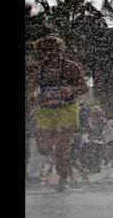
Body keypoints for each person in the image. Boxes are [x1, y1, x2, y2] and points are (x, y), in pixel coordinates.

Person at [26, 36, 90, 192]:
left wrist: (71, 90)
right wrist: (31, 97)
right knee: (43, 147)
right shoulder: (38, 68)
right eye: (46, 51)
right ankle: (66, 162)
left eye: (54, 50)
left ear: (60, 51)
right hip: (46, 110)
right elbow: (31, 87)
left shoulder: (70, 67)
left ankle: (63, 177)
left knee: (61, 148)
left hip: (67, 109)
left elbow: (84, 87)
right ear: (42, 52)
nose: (51, 54)